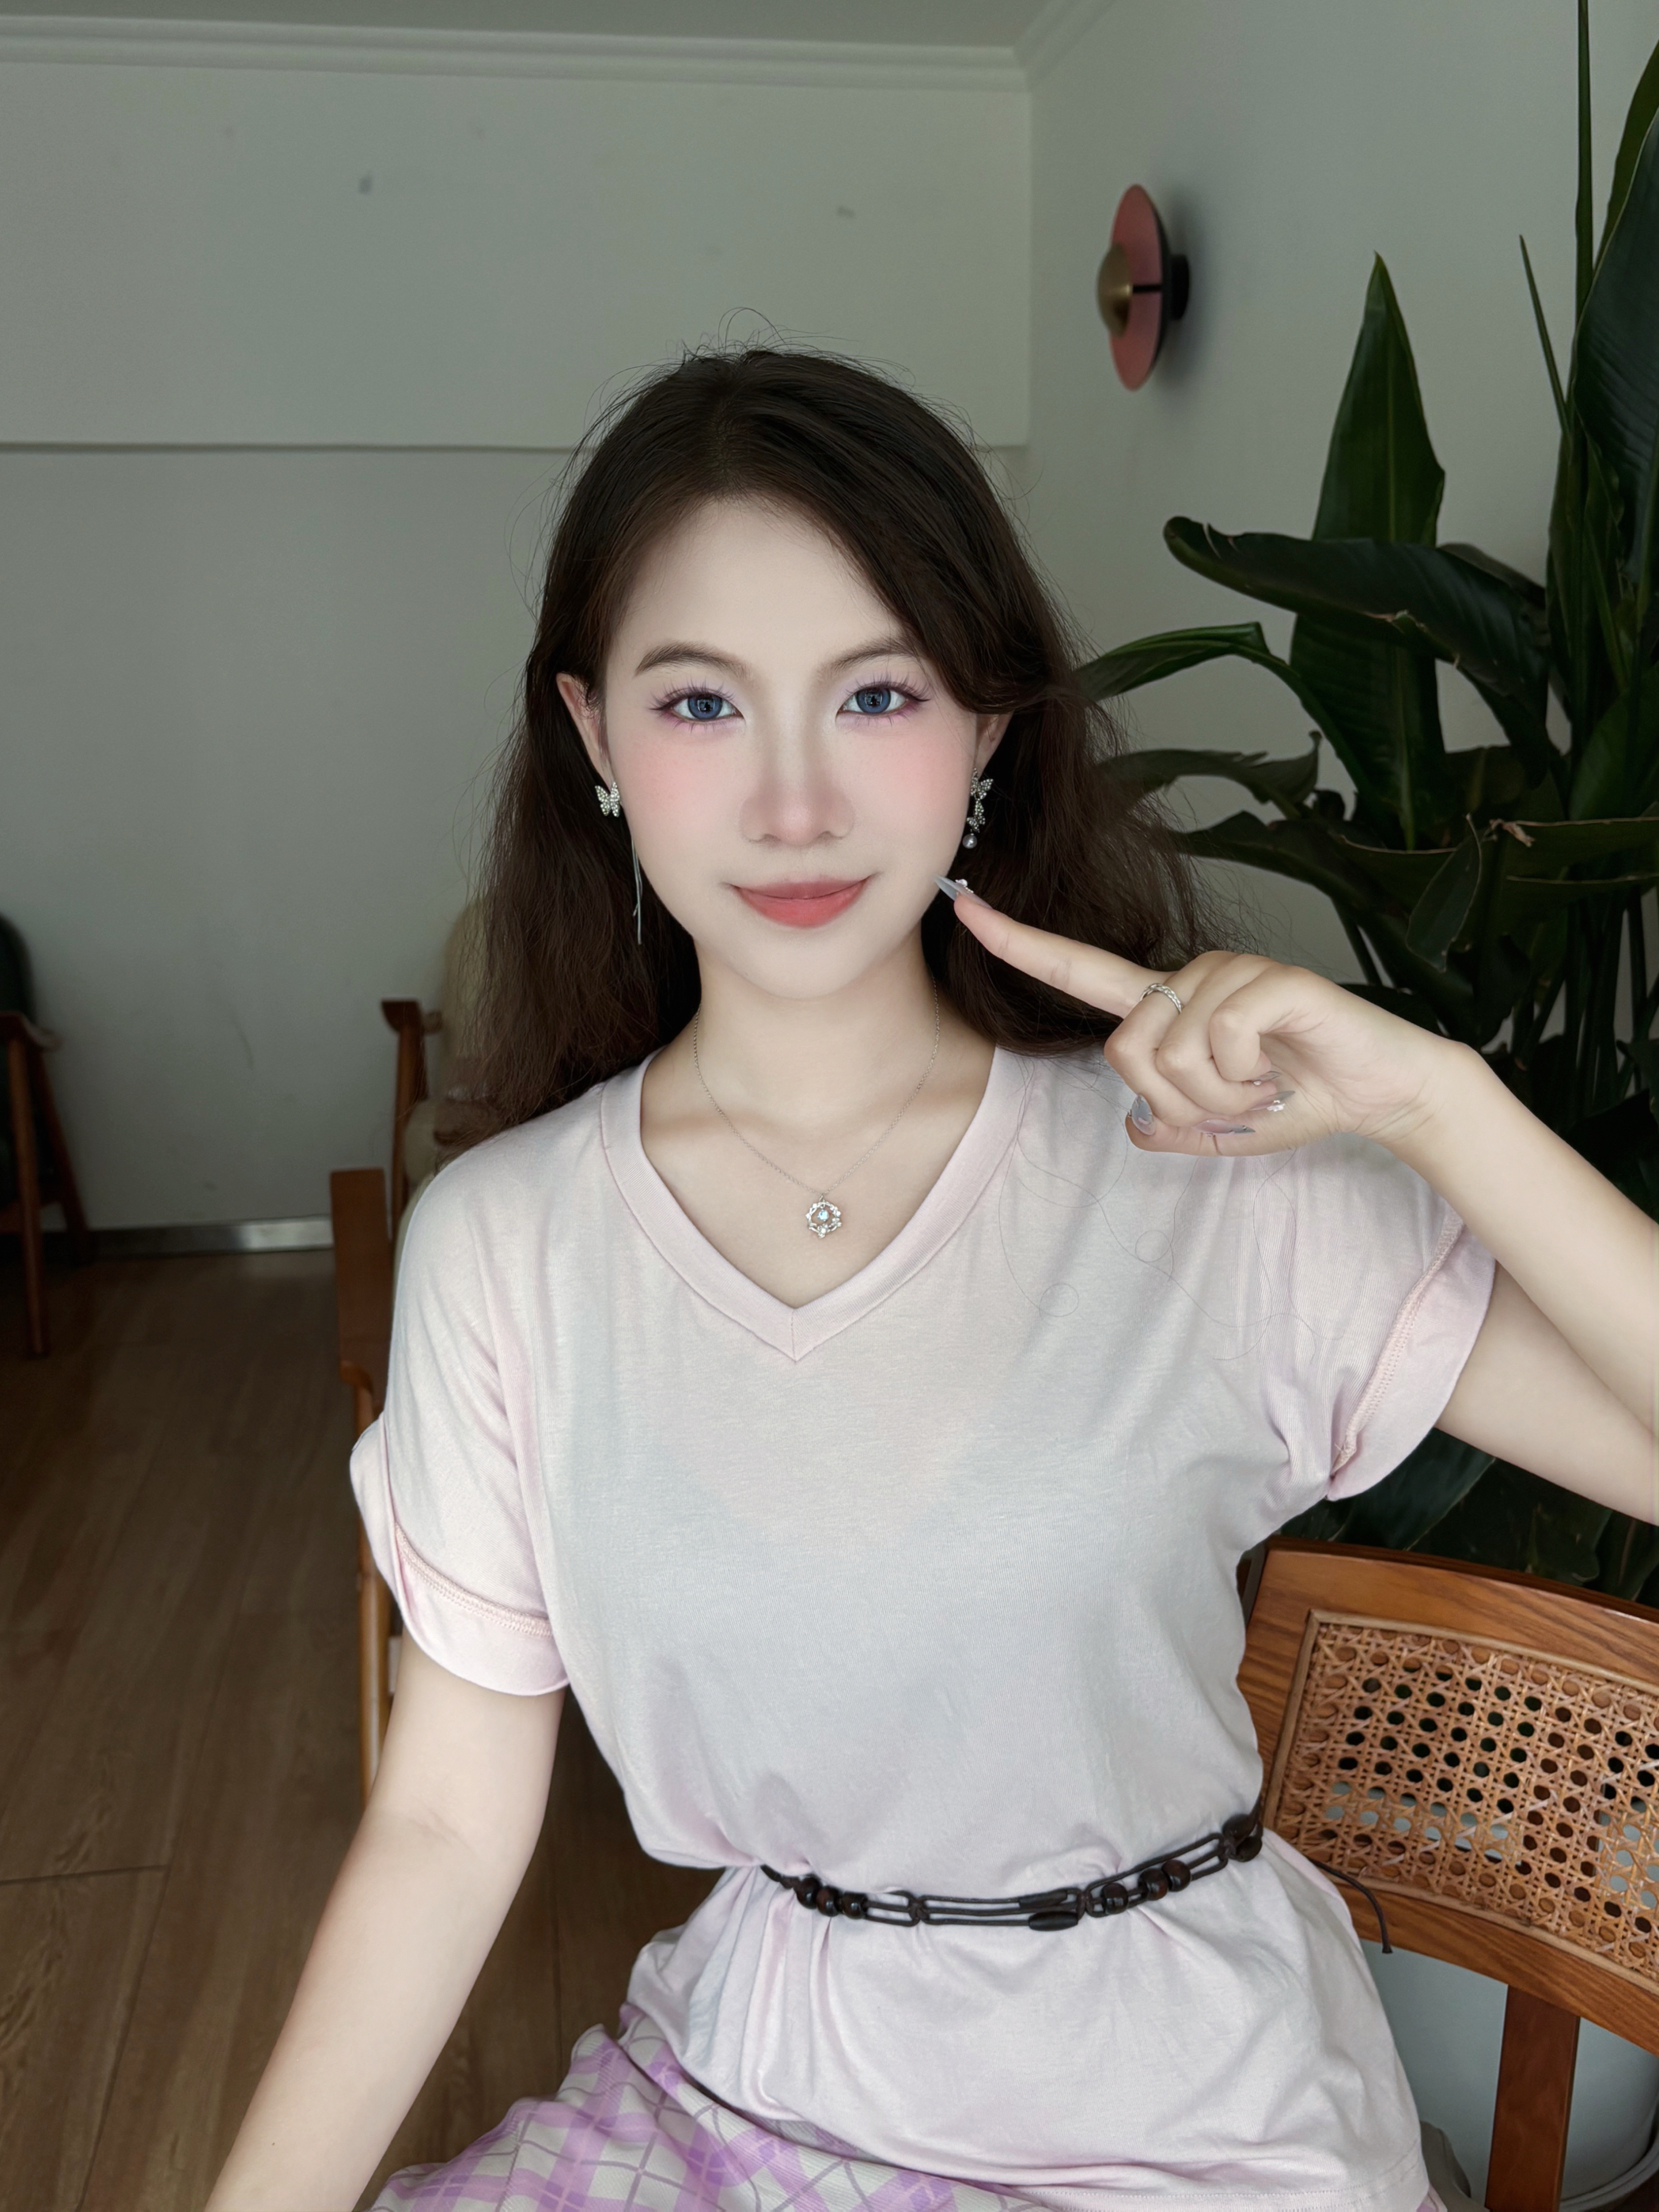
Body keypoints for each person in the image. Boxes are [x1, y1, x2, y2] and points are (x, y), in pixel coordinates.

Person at [206, 349, 1657, 2212]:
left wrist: (1437, 1105)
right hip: (749, 2099)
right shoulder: (502, 1246)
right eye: (700, 702)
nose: (792, 801)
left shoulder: (1200, 1171)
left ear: (984, 727)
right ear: (592, 738)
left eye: (876, 693)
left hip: (1192, 2125)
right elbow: (441, 1820)